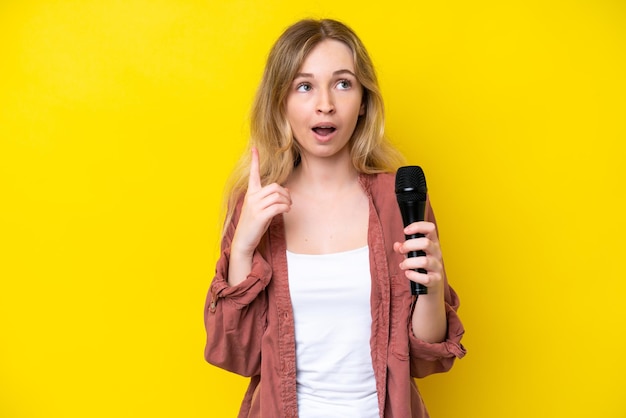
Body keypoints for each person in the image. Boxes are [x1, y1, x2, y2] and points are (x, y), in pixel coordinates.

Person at [204, 18, 466, 418]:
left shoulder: (400, 199)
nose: (324, 103)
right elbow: (236, 355)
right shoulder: (257, 205)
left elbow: (425, 358)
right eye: (304, 86)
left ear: (363, 101)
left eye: (342, 83)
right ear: (281, 102)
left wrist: (432, 283)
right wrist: (242, 247)